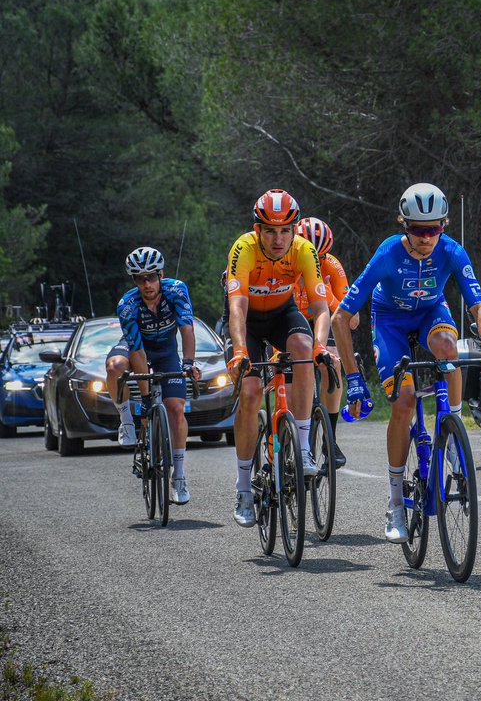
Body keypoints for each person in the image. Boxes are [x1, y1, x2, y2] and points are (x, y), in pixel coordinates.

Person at [332, 182, 481, 545]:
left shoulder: (453, 251)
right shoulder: (388, 254)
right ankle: (395, 503)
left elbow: (479, 306)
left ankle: (453, 433)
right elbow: (339, 317)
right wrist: (353, 378)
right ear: (403, 225)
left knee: (449, 347)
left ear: (443, 225)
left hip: (429, 312)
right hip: (391, 319)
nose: (426, 238)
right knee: (405, 401)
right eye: (418, 230)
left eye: (434, 230)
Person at [225, 189, 332, 528]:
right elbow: (237, 307)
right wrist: (240, 349)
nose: (277, 238)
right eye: (269, 230)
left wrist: (320, 346)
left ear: (295, 229)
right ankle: (243, 487)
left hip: (283, 313)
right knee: (252, 392)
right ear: (258, 229)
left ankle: (302, 447)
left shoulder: (304, 249)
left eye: (285, 230)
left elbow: (320, 308)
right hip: (249, 322)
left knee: (303, 349)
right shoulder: (243, 248)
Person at [106, 247, 201, 504]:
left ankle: (179, 476)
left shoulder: (177, 290)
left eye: (151, 277)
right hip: (138, 349)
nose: (147, 284)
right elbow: (136, 351)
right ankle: (126, 420)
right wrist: (146, 399)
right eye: (140, 279)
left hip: (167, 350)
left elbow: (187, 329)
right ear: (134, 281)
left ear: (161, 274)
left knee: (176, 408)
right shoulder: (128, 304)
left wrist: (188, 362)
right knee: (115, 366)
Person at [294, 216, 355, 469]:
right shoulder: (285, 264)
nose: (312, 263)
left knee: (333, 361)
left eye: (318, 258)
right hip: (292, 318)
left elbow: (352, 321)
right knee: (291, 370)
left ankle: (330, 437)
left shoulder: (332, 266)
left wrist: (327, 293)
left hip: (321, 317)